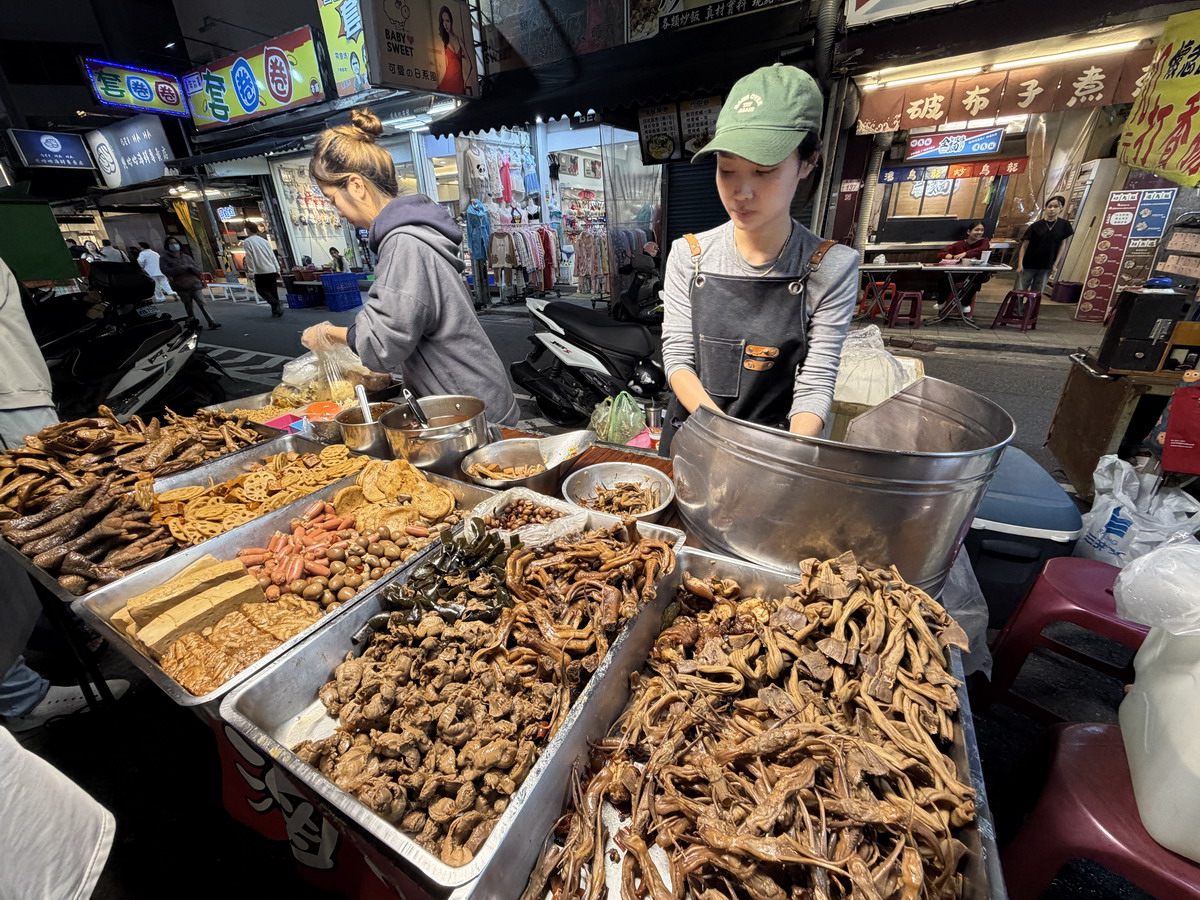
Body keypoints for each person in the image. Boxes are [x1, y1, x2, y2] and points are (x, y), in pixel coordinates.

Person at [660, 64, 857, 453]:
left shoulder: (832, 266)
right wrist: (721, 434)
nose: (742, 192)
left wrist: (788, 457)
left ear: (808, 161)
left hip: (772, 445)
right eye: (727, 170)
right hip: (693, 432)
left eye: (764, 171)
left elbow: (816, 381)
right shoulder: (689, 254)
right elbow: (678, 357)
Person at [299, 109, 519, 425]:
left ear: (356, 186)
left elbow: (381, 345)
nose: (338, 212)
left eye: (332, 199)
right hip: (472, 396)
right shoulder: (416, 233)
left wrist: (327, 333)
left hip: (467, 408)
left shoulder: (403, 243)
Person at [0, 257, 130, 733]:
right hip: (12, 403)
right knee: (45, 521)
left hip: (16, 394)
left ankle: (59, 631)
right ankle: (22, 694)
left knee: (54, 528)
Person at [1016, 195, 1073, 296]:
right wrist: (1020, 264)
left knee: (1037, 293)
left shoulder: (1064, 225)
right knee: (1019, 291)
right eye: (1050, 206)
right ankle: (1017, 306)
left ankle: (1032, 307)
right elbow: (1024, 245)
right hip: (1028, 264)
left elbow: (1063, 244)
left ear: (1061, 208)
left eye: (1056, 206)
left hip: (1047, 265)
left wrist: (1055, 264)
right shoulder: (1035, 226)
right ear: (1045, 208)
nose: (1052, 209)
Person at [160, 239, 220, 330]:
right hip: (180, 286)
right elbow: (166, 271)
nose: (174, 245)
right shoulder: (164, 258)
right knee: (188, 306)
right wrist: (182, 268)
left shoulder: (186, 257)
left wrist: (191, 269)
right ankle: (193, 322)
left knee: (202, 303)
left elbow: (197, 269)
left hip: (194, 284)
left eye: (175, 243)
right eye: (171, 243)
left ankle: (212, 322)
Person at [935, 220, 991, 315]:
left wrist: (965, 254)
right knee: (944, 278)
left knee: (978, 278)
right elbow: (940, 254)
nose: (979, 232)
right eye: (977, 230)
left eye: (982, 230)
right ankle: (941, 302)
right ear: (969, 232)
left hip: (975, 274)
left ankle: (965, 303)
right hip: (960, 273)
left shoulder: (984, 242)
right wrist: (948, 256)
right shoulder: (959, 244)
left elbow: (983, 249)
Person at [242, 222, 283, 317]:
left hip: (260, 270)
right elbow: (272, 255)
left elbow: (249, 257)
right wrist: (277, 268)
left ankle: (276, 303)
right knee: (273, 290)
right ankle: (276, 311)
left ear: (248, 230)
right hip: (271, 269)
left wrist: (251, 271)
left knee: (260, 289)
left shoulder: (248, 241)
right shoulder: (264, 241)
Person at [435, 5, 473, 96]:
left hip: (459, 83)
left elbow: (470, 64)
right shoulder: (443, 42)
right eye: (443, 21)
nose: (445, 24)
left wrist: (465, 81)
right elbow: (443, 67)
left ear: (451, 21)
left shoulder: (459, 40)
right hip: (448, 82)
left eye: (447, 21)